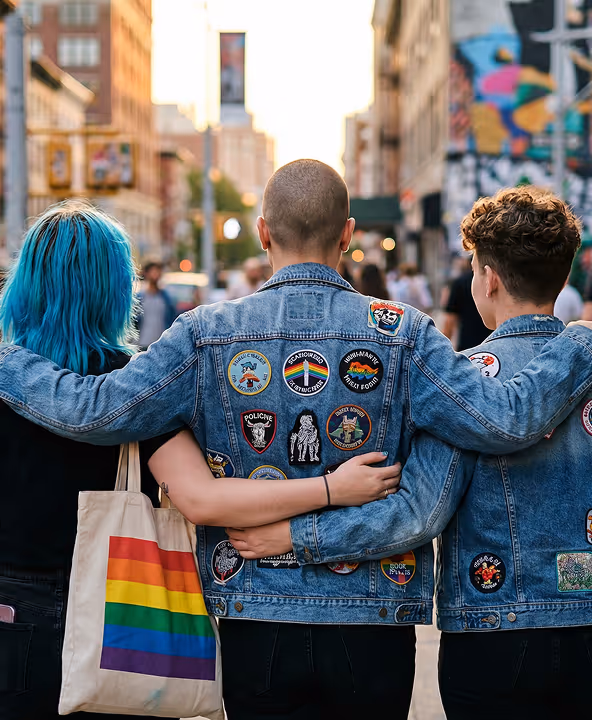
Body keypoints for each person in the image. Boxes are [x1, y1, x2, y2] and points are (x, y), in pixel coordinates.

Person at [2, 164, 592, 718]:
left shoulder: (203, 334)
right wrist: (574, 342)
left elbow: (94, 408)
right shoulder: (406, 333)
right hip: (374, 616)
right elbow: (499, 421)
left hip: (255, 614)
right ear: (348, 235)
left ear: (262, 232)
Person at [0, 200, 398, 720]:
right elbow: (203, 499)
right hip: (119, 615)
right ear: (115, 289)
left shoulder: (11, 375)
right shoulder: (132, 385)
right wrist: (330, 489)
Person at [231, 187, 592, 719]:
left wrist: (297, 537)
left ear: (489, 279)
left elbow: (415, 514)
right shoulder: (580, 356)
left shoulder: (463, 381)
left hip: (492, 635)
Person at [442, 256, 490, 350]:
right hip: (492, 343)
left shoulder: (459, 282)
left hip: (467, 343)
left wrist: (444, 348)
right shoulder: (494, 280)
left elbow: (450, 319)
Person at [137, 261, 177, 348]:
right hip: (142, 343)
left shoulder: (166, 298)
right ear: (146, 274)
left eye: (157, 271)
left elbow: (172, 319)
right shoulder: (139, 297)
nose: (155, 274)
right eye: (153, 271)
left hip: (161, 344)